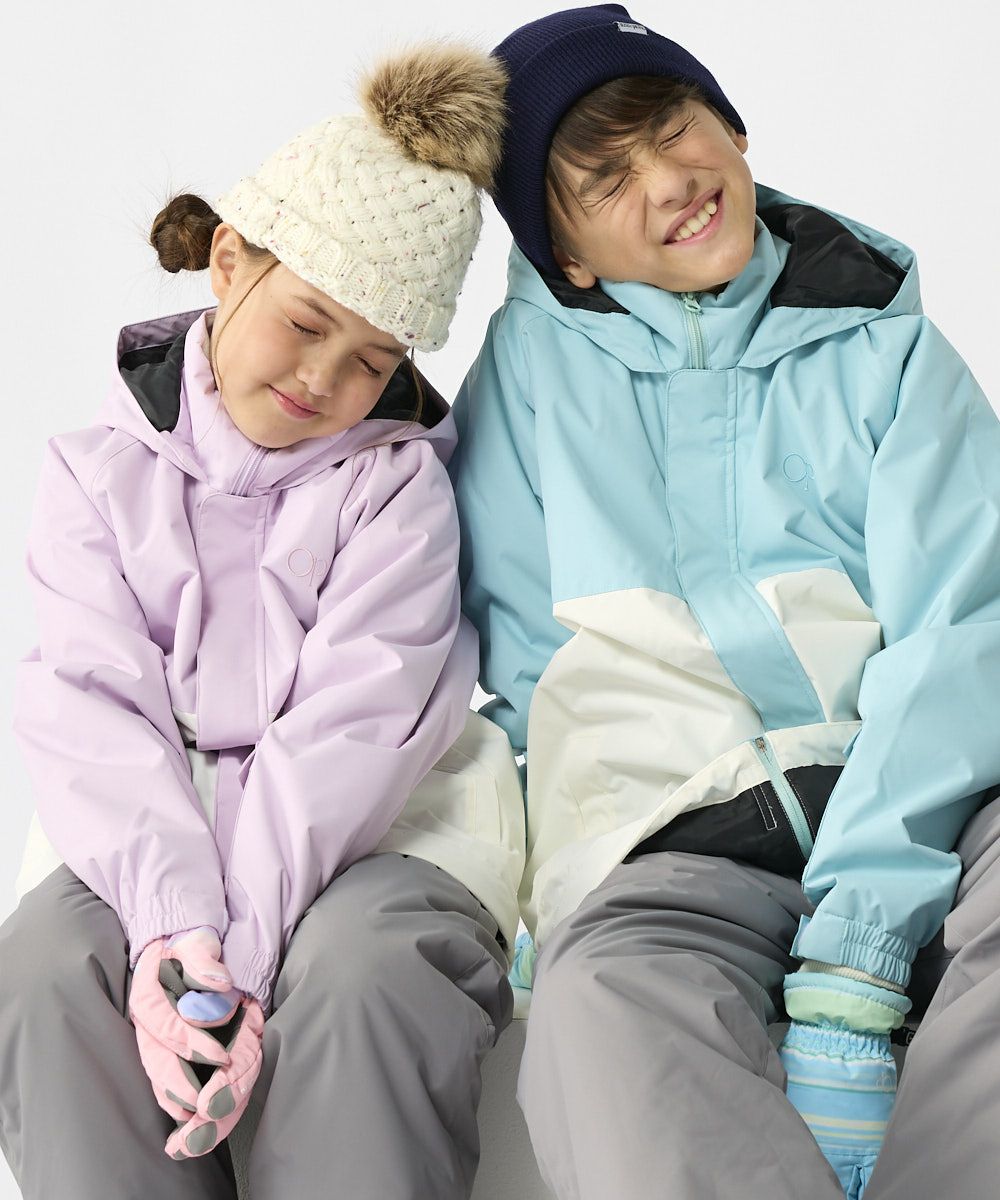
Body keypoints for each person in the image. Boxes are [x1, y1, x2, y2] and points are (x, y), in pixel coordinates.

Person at [450, 6, 1000, 1198]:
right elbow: (535, 671)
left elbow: (964, 630)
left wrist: (859, 956)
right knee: (601, 1002)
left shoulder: (885, 350)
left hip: (924, 802)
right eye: (605, 180)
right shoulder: (524, 386)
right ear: (564, 253)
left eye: (674, 127)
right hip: (677, 827)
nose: (668, 181)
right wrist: (552, 879)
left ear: (733, 131)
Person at [0, 42, 524, 1200]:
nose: (325, 379)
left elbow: (353, 731)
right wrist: (173, 929)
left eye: (373, 359)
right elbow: (92, 706)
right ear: (230, 262)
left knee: (361, 973)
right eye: (305, 323)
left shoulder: (394, 487)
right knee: (46, 969)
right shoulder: (92, 477)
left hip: (375, 833)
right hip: (146, 832)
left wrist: (224, 963)